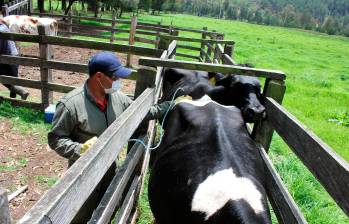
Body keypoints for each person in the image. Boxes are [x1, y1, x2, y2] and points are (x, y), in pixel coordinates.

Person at [47, 51, 170, 223]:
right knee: (80, 216)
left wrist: (170, 105)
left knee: (108, 209)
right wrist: (78, 149)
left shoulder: (118, 99)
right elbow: (55, 139)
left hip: (110, 169)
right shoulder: (71, 105)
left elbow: (142, 113)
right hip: (83, 176)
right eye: (115, 77)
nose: (119, 81)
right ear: (98, 76)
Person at [0, 22, 29, 100]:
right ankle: (15, 100)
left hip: (9, 56)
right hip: (12, 54)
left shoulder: (1, 29)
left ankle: (19, 94)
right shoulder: (3, 27)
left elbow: (2, 47)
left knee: (9, 79)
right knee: (11, 79)